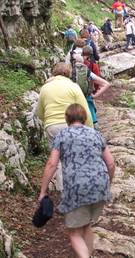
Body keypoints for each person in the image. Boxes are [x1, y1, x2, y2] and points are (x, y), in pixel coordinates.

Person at [38, 103, 115, 258]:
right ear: (84, 117)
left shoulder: (61, 136)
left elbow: (52, 164)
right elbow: (111, 163)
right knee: (86, 224)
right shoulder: (96, 134)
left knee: (73, 232)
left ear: (67, 119)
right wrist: (107, 184)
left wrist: (43, 191)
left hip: (77, 188)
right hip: (99, 185)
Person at [37, 63, 93, 191]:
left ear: (53, 73)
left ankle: (62, 190)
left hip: (51, 126)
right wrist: (90, 130)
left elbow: (40, 112)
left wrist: (48, 122)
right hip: (71, 124)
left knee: (57, 159)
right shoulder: (73, 87)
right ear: (69, 73)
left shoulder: (45, 88)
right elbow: (85, 110)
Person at [76, 48, 110, 130]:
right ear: (91, 54)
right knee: (91, 117)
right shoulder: (92, 65)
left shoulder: (70, 70)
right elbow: (103, 83)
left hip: (75, 97)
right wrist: (94, 94)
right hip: (87, 95)